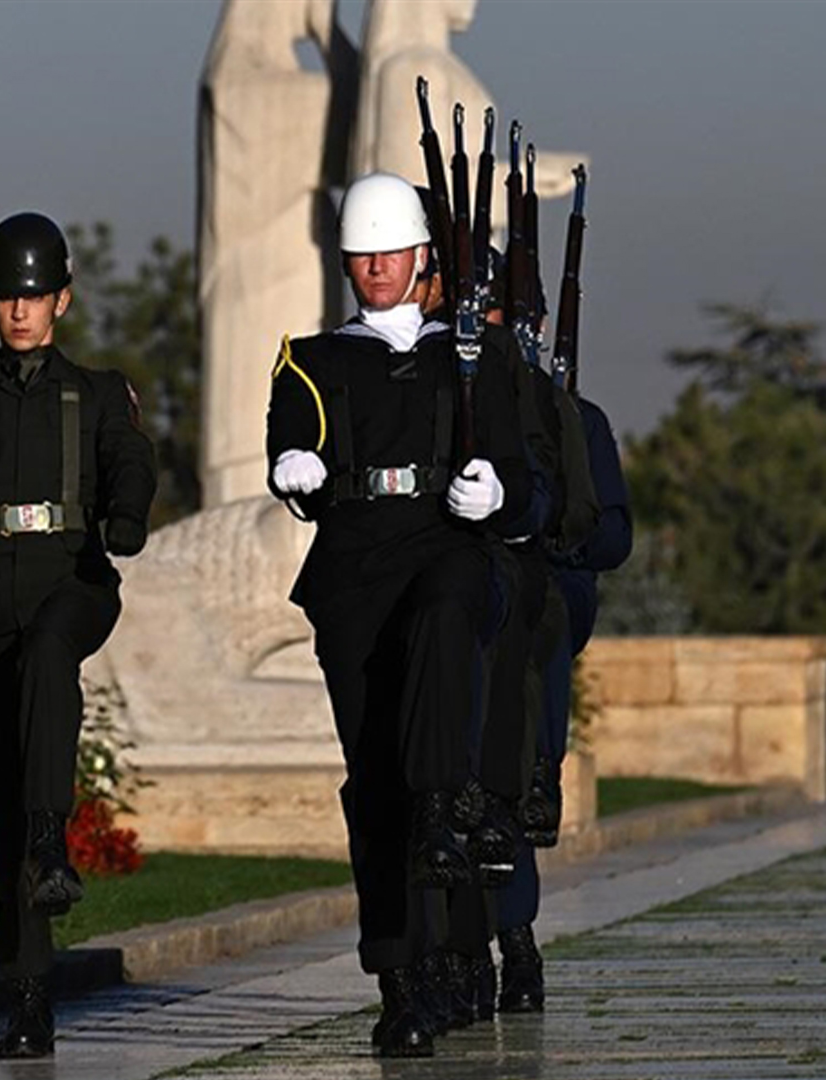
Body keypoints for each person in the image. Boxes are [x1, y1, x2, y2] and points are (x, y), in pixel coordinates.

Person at [265, 173, 530, 1058]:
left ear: (422, 257)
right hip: (354, 571)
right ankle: (401, 979)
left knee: (452, 601)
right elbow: (291, 428)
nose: (377, 269)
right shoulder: (313, 356)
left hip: (444, 545)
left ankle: (448, 799)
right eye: (362, 256)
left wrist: (494, 485)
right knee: (376, 783)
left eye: (390, 253)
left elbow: (522, 468)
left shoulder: (474, 356)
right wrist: (295, 464)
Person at [0, 211, 156, 1059]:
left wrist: (125, 518)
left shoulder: (97, 392)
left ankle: (55, 836)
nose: (21, 310)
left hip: (75, 582)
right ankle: (30, 995)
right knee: (4, 789)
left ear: (63, 300)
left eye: (35, 295)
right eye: (8, 296)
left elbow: (132, 460)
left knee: (53, 652)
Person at [493, 387, 632, 1011]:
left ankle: (516, 939)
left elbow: (613, 537)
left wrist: (551, 532)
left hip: (541, 599)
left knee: (516, 753)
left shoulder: (575, 418)